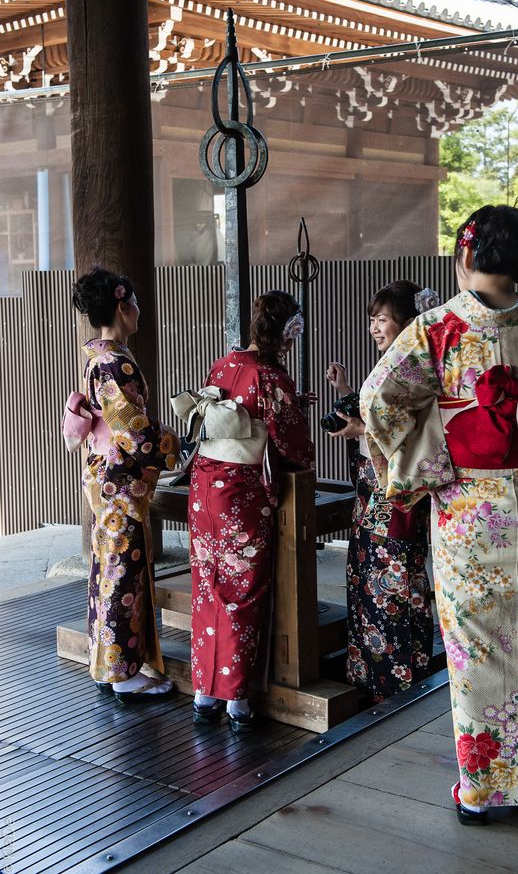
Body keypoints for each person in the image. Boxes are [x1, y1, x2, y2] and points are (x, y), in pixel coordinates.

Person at [360, 205, 518, 824]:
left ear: (465, 256)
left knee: (473, 649)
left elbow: (378, 401)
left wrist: (424, 457)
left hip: (468, 509)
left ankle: (479, 790)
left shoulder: (436, 329)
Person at [187, 290, 314, 731]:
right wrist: (302, 438)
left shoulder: (225, 365)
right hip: (240, 494)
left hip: (204, 487)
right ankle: (237, 699)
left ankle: (205, 693)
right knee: (243, 591)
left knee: (208, 585)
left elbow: (236, 410)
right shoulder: (273, 377)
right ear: (287, 333)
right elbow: (291, 445)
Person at [326, 280, 440, 703]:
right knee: (368, 588)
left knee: (396, 590)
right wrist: (346, 395)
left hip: (396, 503)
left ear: (407, 321)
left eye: (383, 319)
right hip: (370, 504)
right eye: (372, 319)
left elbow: (413, 439)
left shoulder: (416, 370)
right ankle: (373, 681)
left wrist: (362, 429)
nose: (375, 327)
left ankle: (399, 682)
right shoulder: (398, 365)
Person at [72, 266, 180, 703]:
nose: (139, 311)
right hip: (121, 481)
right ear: (122, 305)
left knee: (106, 568)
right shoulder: (114, 363)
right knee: (122, 572)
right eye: (134, 303)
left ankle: (106, 663)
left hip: (105, 476)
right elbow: (134, 433)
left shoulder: (99, 358)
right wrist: (177, 445)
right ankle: (122, 673)